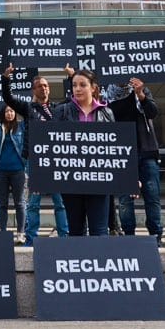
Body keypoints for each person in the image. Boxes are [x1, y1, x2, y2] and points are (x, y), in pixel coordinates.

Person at [1, 65, 69, 245]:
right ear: (34, 89)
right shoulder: (28, 108)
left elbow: (73, 101)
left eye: (46, 86)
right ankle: (31, 238)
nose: (44, 88)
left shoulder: (57, 109)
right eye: (40, 86)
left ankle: (64, 235)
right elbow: (8, 98)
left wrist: (71, 78)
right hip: (35, 161)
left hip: (56, 160)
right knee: (33, 202)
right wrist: (6, 79)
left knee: (60, 201)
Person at [52, 68, 114, 236]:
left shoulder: (107, 113)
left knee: (100, 231)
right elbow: (51, 146)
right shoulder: (61, 111)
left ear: (93, 88)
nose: (77, 89)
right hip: (71, 181)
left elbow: (115, 149)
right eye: (74, 85)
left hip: (100, 180)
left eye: (82, 85)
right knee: (76, 230)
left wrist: (129, 178)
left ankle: (100, 261)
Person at [110, 77, 163, 244]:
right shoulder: (107, 94)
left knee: (152, 196)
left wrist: (140, 94)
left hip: (146, 151)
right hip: (122, 153)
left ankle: (156, 236)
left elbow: (153, 112)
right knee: (125, 199)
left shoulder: (140, 90)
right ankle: (129, 237)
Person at [0, 104, 27, 242]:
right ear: (3, 113)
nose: (10, 113)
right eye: (7, 111)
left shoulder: (21, 127)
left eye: (12, 111)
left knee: (19, 202)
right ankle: (3, 232)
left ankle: (20, 232)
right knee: (2, 202)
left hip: (18, 170)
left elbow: (28, 114)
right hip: (0, 170)